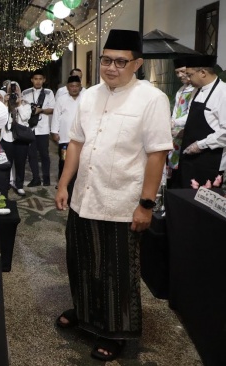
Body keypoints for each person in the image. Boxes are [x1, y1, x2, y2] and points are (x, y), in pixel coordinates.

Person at [54, 29, 172, 362]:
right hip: (84, 198)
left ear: (137, 63)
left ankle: (115, 331)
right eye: (106, 60)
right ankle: (86, 313)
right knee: (81, 262)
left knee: (116, 270)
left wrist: (146, 205)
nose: (111, 67)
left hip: (121, 203)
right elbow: (76, 142)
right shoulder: (89, 96)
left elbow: (156, 155)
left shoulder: (151, 99)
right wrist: (64, 183)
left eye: (121, 62)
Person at [177, 55, 226, 188]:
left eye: (190, 75)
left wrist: (201, 145)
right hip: (189, 159)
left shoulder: (223, 93)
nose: (187, 79)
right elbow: (192, 116)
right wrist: (178, 125)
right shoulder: (196, 91)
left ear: (203, 73)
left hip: (210, 161)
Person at [166, 58, 197, 188]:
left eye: (183, 72)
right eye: (177, 72)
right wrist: (172, 123)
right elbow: (175, 111)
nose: (180, 75)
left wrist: (174, 122)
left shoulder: (196, 90)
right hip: (176, 134)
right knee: (173, 170)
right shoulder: (181, 90)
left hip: (188, 133)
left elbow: (191, 115)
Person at [0, 81, 33, 196]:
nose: (14, 91)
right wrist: (5, 103)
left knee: (20, 163)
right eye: (11, 89)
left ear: (20, 90)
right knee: (6, 163)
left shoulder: (25, 103)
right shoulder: (5, 103)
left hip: (21, 138)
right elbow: (0, 118)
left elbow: (25, 118)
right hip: (7, 137)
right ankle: (5, 184)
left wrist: (18, 105)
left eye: (16, 89)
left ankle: (19, 185)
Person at [23, 69, 55, 187]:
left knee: (44, 155)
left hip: (43, 128)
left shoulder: (48, 93)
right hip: (30, 128)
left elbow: (52, 109)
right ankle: (35, 178)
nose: (38, 81)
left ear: (44, 80)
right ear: (32, 80)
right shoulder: (25, 92)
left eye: (40, 79)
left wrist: (41, 110)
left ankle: (46, 179)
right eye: (35, 79)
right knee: (31, 155)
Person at [51, 75, 82, 184]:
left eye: (76, 86)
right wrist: (54, 131)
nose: (74, 88)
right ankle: (62, 183)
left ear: (80, 87)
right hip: (64, 137)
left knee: (79, 162)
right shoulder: (61, 99)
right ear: (68, 87)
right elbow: (56, 116)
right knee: (63, 161)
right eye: (72, 86)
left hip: (80, 138)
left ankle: (76, 184)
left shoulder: (85, 98)